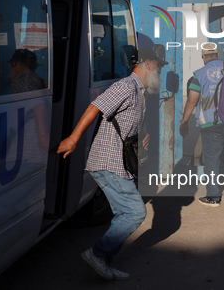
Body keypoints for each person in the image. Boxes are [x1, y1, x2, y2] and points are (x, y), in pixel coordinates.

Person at [57, 47, 167, 280]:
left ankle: (104, 261)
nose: (160, 71)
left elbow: (127, 123)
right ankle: (97, 254)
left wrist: (142, 134)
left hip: (119, 161)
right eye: (159, 66)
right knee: (136, 213)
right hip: (108, 160)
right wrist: (73, 138)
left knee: (123, 216)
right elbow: (95, 107)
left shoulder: (140, 92)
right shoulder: (125, 86)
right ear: (148, 63)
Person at [179, 48, 224, 208]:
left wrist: (184, 121)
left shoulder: (199, 74)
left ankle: (213, 197)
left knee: (212, 158)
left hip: (210, 122)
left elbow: (191, 101)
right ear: (217, 55)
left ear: (203, 56)